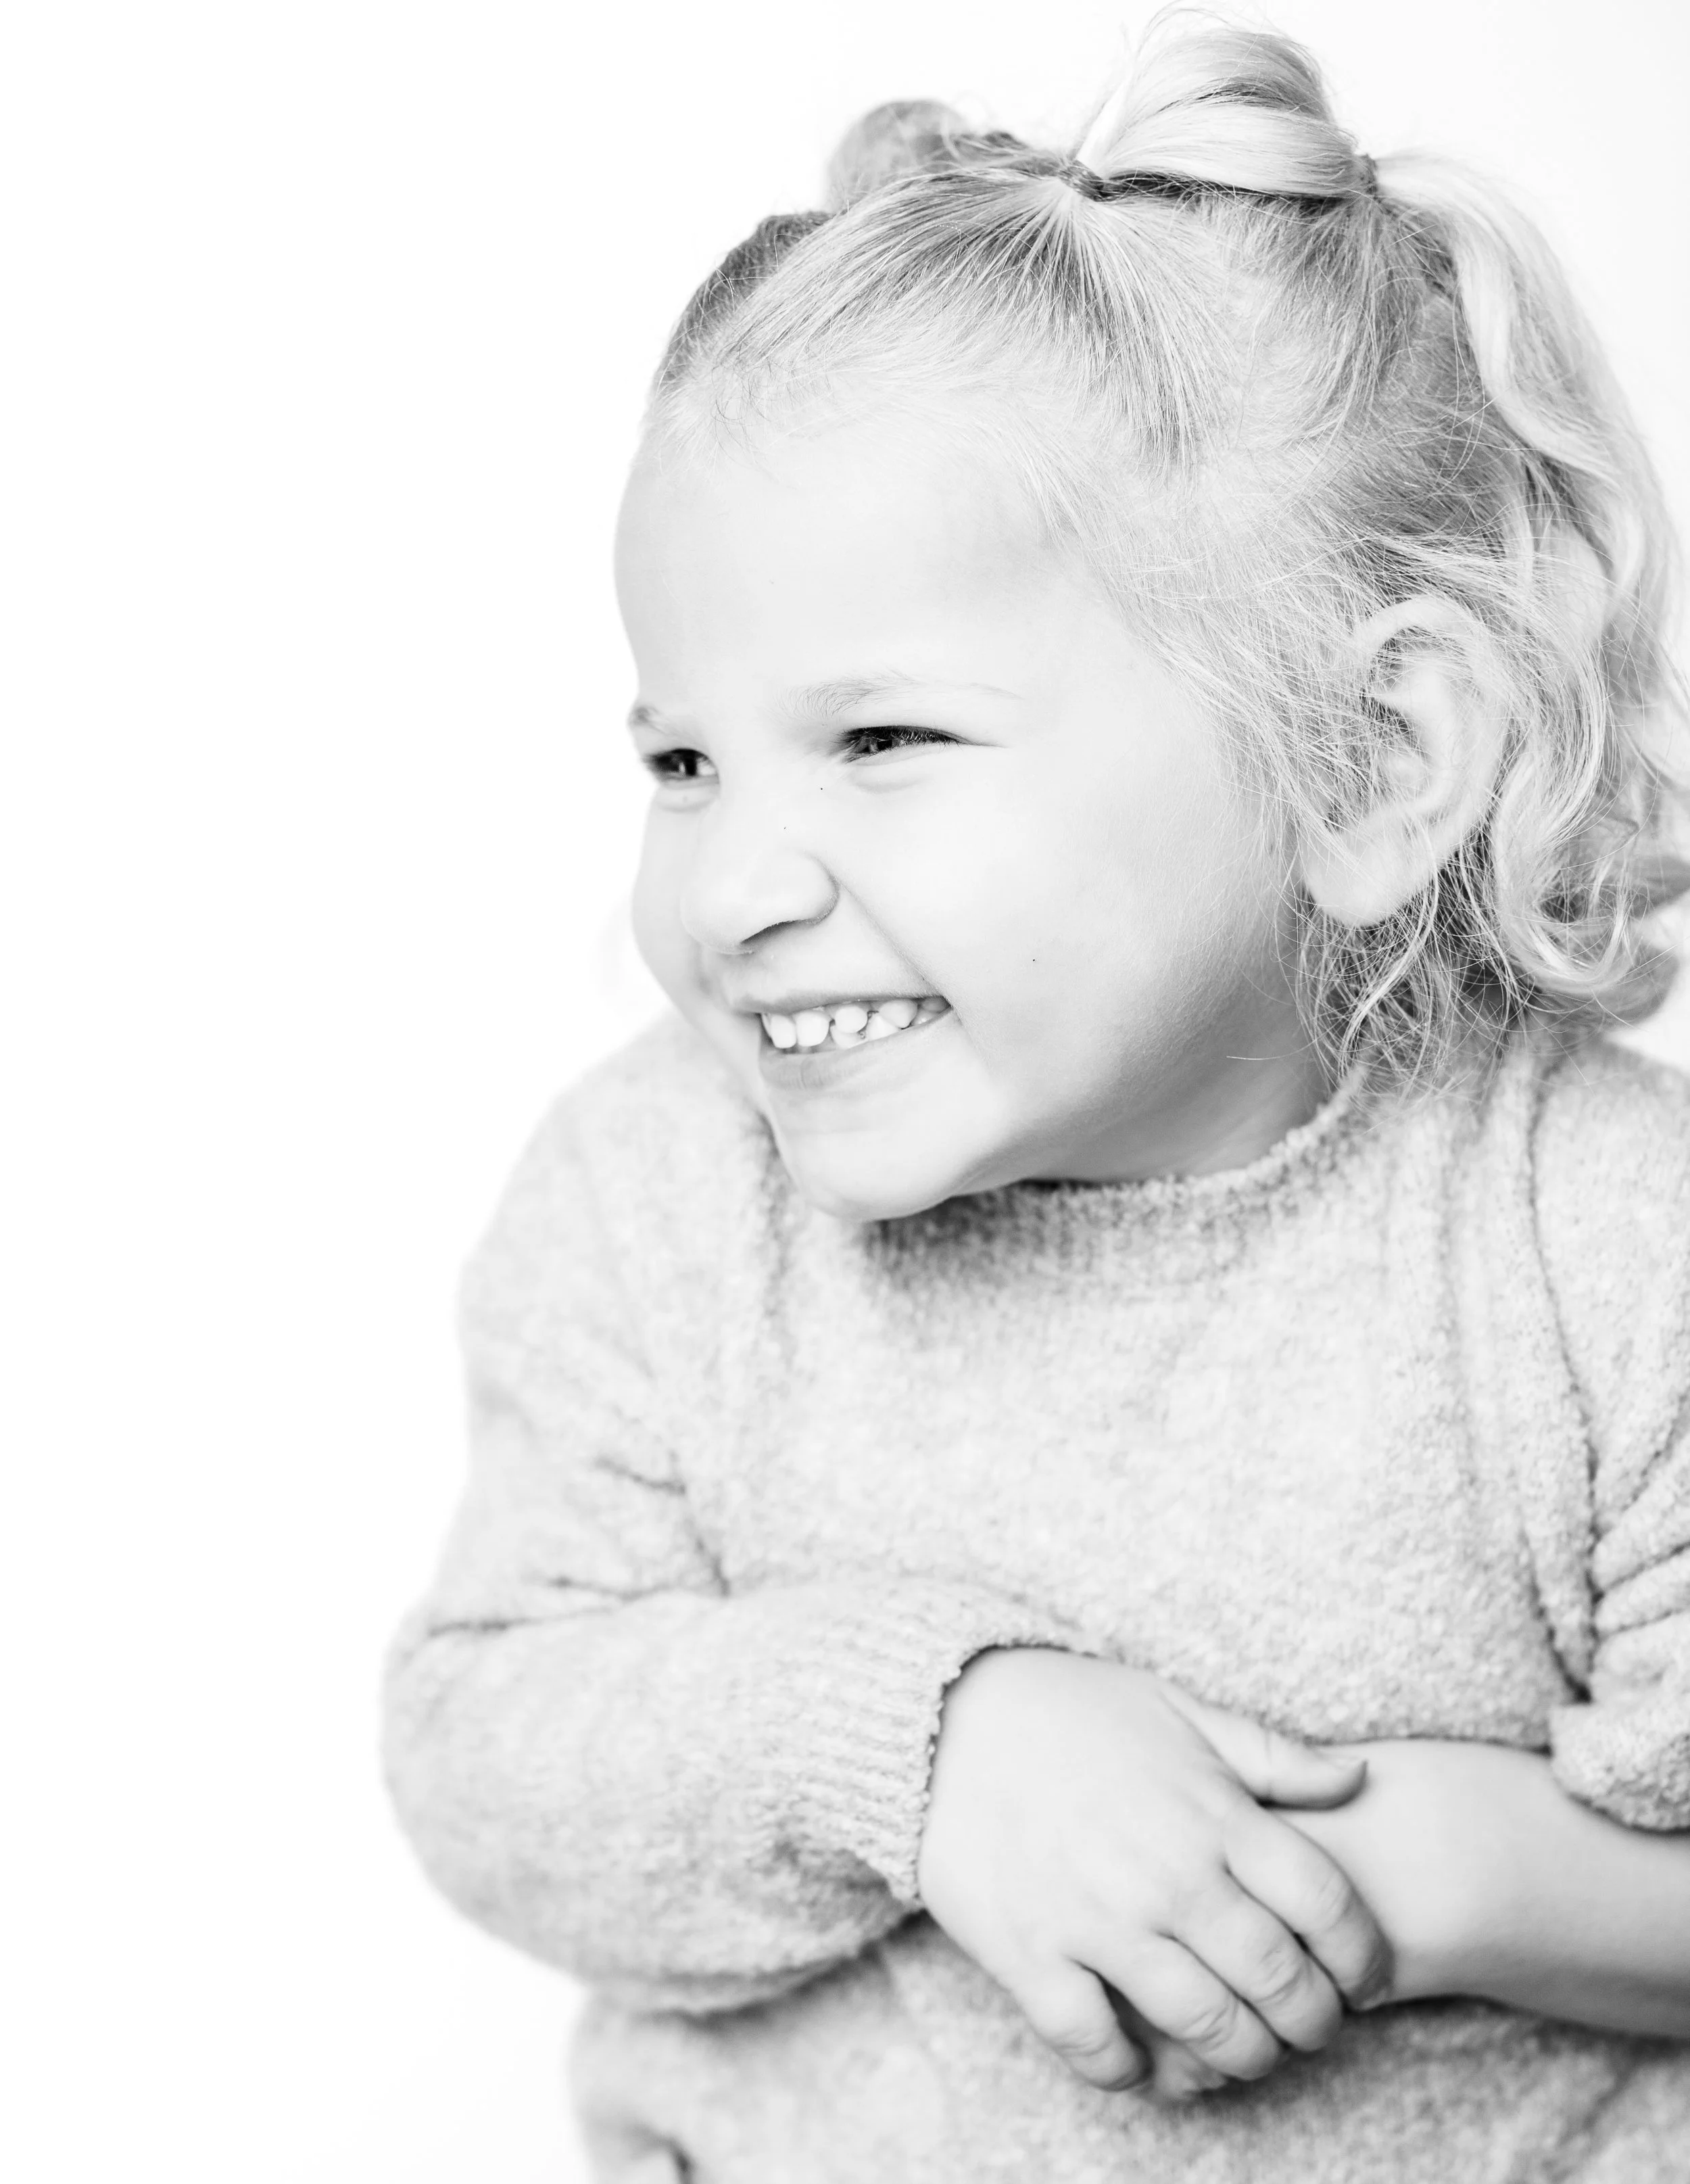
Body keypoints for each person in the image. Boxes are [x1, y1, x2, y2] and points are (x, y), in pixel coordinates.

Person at [382, 16, 1690, 2179]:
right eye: (681, 760)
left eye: (881, 742)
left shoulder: (1600, 1248)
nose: (729, 880)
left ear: (1369, 767)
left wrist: (1393, 1883)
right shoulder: (652, 1198)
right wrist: (919, 1748)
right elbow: (485, 1756)